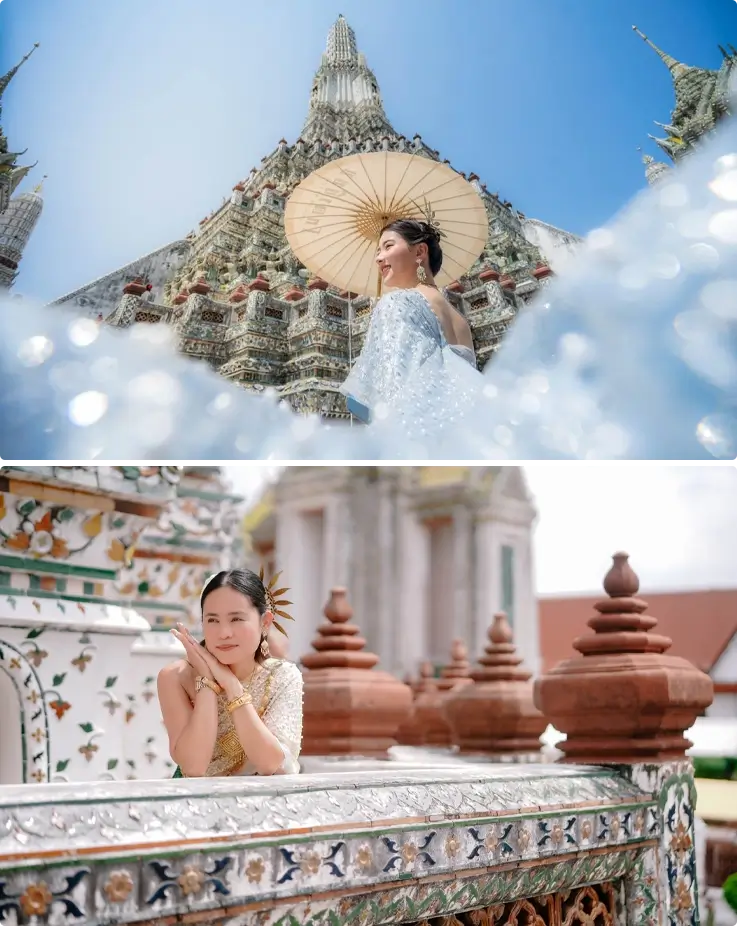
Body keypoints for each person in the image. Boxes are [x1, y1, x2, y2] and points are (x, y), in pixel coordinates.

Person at [158, 568, 303, 777]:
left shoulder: (282, 677)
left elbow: (270, 764)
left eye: (236, 619)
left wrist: (231, 685)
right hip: (194, 806)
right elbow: (193, 767)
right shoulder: (175, 677)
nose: (224, 633)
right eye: (213, 620)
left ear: (265, 622)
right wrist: (206, 680)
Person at [340, 218, 483, 426]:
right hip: (465, 430)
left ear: (419, 252)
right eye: (378, 252)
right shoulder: (461, 320)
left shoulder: (397, 302)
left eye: (388, 246)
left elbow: (392, 390)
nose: (379, 258)